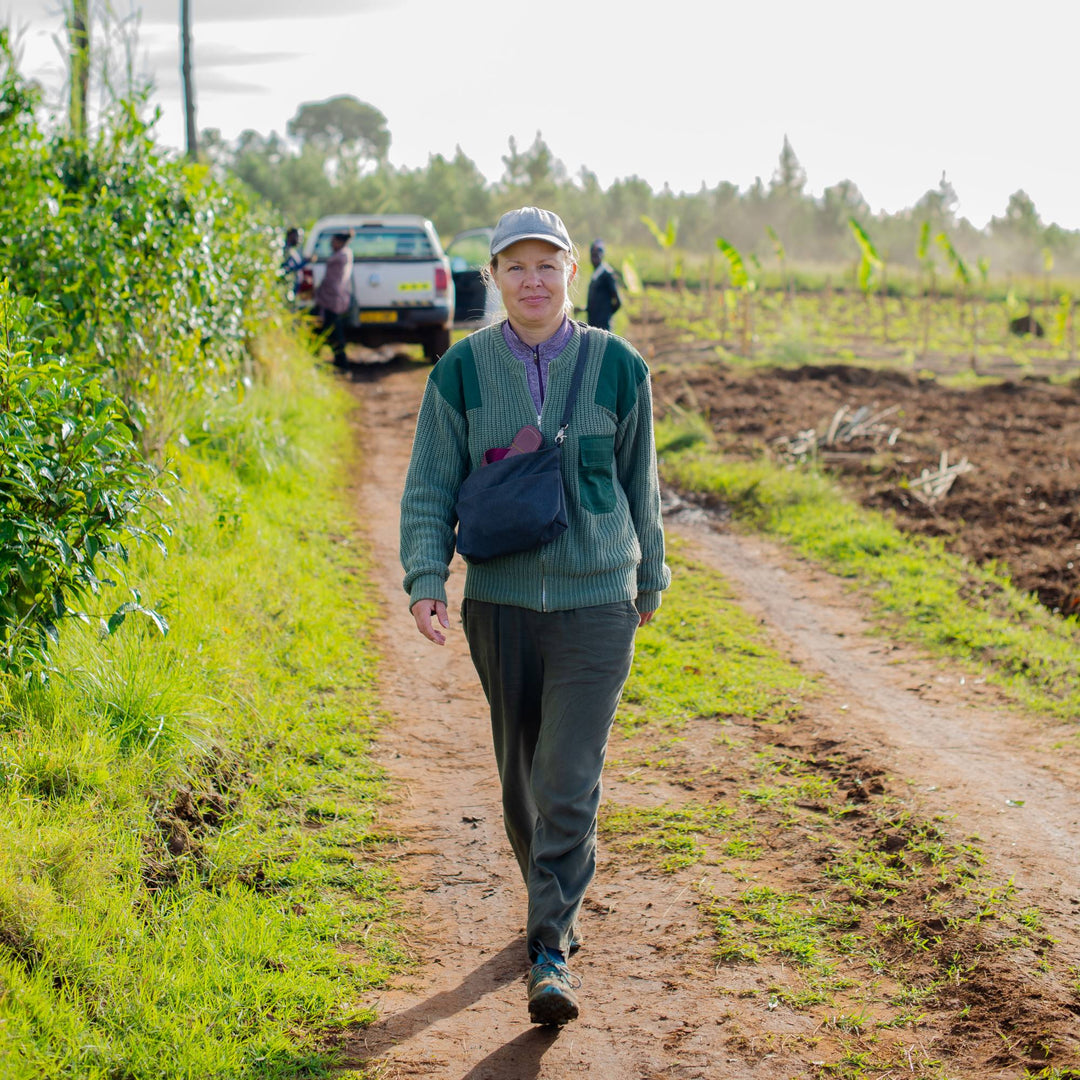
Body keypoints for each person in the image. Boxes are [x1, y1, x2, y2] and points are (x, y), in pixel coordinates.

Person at [399, 206, 670, 1026]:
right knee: (521, 775)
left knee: (568, 774)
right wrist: (425, 576)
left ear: (569, 275)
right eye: (516, 268)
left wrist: (648, 575)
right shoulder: (461, 373)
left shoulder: (620, 366)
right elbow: (430, 483)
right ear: (493, 278)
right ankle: (551, 893)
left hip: (596, 601)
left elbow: (640, 481)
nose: (534, 281)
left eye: (547, 266)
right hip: (504, 606)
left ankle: (549, 946)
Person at [314, 232, 353, 367]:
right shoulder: (344, 254)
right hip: (329, 300)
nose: (331, 244)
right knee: (328, 331)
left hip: (332, 301)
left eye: (333, 241)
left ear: (340, 242)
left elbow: (331, 281)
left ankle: (341, 364)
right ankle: (338, 362)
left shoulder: (341, 256)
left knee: (334, 334)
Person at [585, 239, 622, 330]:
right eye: (592, 256)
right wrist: (586, 309)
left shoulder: (607, 274)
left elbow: (618, 302)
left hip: (603, 327)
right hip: (593, 326)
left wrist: (605, 314)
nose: (594, 259)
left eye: (596, 256)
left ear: (602, 255)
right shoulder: (595, 274)